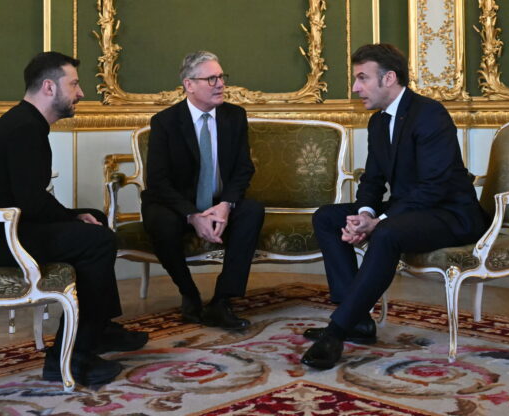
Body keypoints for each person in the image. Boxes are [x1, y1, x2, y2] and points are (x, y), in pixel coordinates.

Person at [0, 51, 147, 387]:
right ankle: (69, 359)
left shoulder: (24, 122)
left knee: (96, 220)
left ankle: (98, 328)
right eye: (73, 84)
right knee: (98, 238)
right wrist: (74, 220)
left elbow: (27, 199)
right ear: (49, 87)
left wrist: (77, 216)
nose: (81, 92)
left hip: (4, 229)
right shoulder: (25, 129)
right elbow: (31, 201)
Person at [300, 43, 489, 370]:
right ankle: (357, 319)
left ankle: (337, 330)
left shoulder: (429, 114)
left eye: (362, 78)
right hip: (410, 212)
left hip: (452, 214)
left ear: (388, 78)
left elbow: (434, 187)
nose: (356, 87)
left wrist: (381, 220)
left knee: (387, 233)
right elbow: (372, 181)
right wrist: (363, 215)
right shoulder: (377, 122)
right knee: (327, 218)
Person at [141, 51, 265, 330]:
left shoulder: (235, 116)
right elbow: (158, 181)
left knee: (252, 211)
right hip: (176, 204)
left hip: (220, 202)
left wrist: (226, 205)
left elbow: (244, 169)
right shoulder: (165, 122)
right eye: (211, 78)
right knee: (159, 221)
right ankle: (189, 294)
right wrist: (192, 215)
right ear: (189, 85)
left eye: (221, 77)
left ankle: (222, 301)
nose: (220, 84)